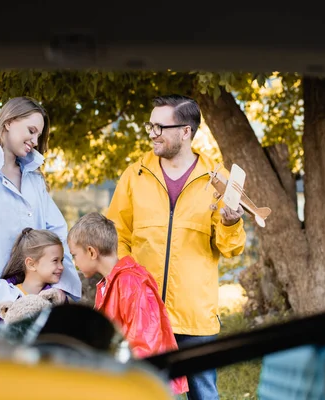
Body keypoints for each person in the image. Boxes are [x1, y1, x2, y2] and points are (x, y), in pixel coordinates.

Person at [105, 94, 247, 400]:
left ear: (186, 131)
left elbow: (230, 248)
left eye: (160, 127)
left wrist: (230, 224)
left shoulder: (218, 179)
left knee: (204, 395)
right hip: (144, 313)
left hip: (195, 316)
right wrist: (132, 288)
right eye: (151, 126)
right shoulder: (135, 175)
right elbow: (116, 237)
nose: (153, 133)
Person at [0, 96, 81, 328]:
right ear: (8, 122)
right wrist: (6, 296)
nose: (35, 140)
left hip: (36, 308)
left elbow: (57, 233)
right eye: (31, 130)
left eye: (39, 135)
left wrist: (61, 288)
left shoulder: (35, 181)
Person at [67, 212, 188, 396]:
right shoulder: (109, 284)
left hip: (149, 388)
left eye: (74, 255)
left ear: (91, 252)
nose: (75, 263)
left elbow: (145, 343)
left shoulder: (130, 282)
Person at [0, 228, 67, 328]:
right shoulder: (6, 294)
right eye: (55, 261)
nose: (61, 267)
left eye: (62, 261)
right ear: (31, 264)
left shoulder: (56, 298)